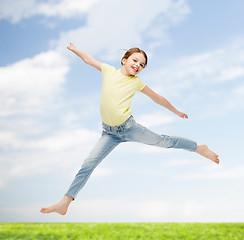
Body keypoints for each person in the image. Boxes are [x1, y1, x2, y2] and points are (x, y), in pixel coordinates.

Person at [40, 43, 219, 215]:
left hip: (129, 128)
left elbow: (157, 98)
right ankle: (65, 202)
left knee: (165, 141)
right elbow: (88, 59)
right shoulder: (108, 71)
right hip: (109, 133)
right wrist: (75, 50)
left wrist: (176, 111)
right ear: (124, 60)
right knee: (88, 164)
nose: (138, 65)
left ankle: (198, 148)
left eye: (142, 65)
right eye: (135, 60)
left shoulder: (136, 82)